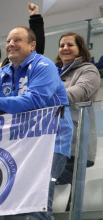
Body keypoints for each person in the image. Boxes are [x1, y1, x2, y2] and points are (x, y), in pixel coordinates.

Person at [0, 26, 73, 219]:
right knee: (4, 204)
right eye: (8, 41)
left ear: (32, 45)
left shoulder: (44, 66)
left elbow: (35, 100)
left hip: (50, 143)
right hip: (15, 145)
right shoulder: (0, 75)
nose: (11, 44)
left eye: (17, 40)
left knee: (35, 205)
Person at [55, 32, 101, 209]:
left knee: (65, 200)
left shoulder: (89, 70)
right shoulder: (52, 72)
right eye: (61, 45)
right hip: (49, 142)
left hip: (74, 144)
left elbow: (76, 93)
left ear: (80, 49)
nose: (65, 48)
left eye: (70, 45)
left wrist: (39, 98)